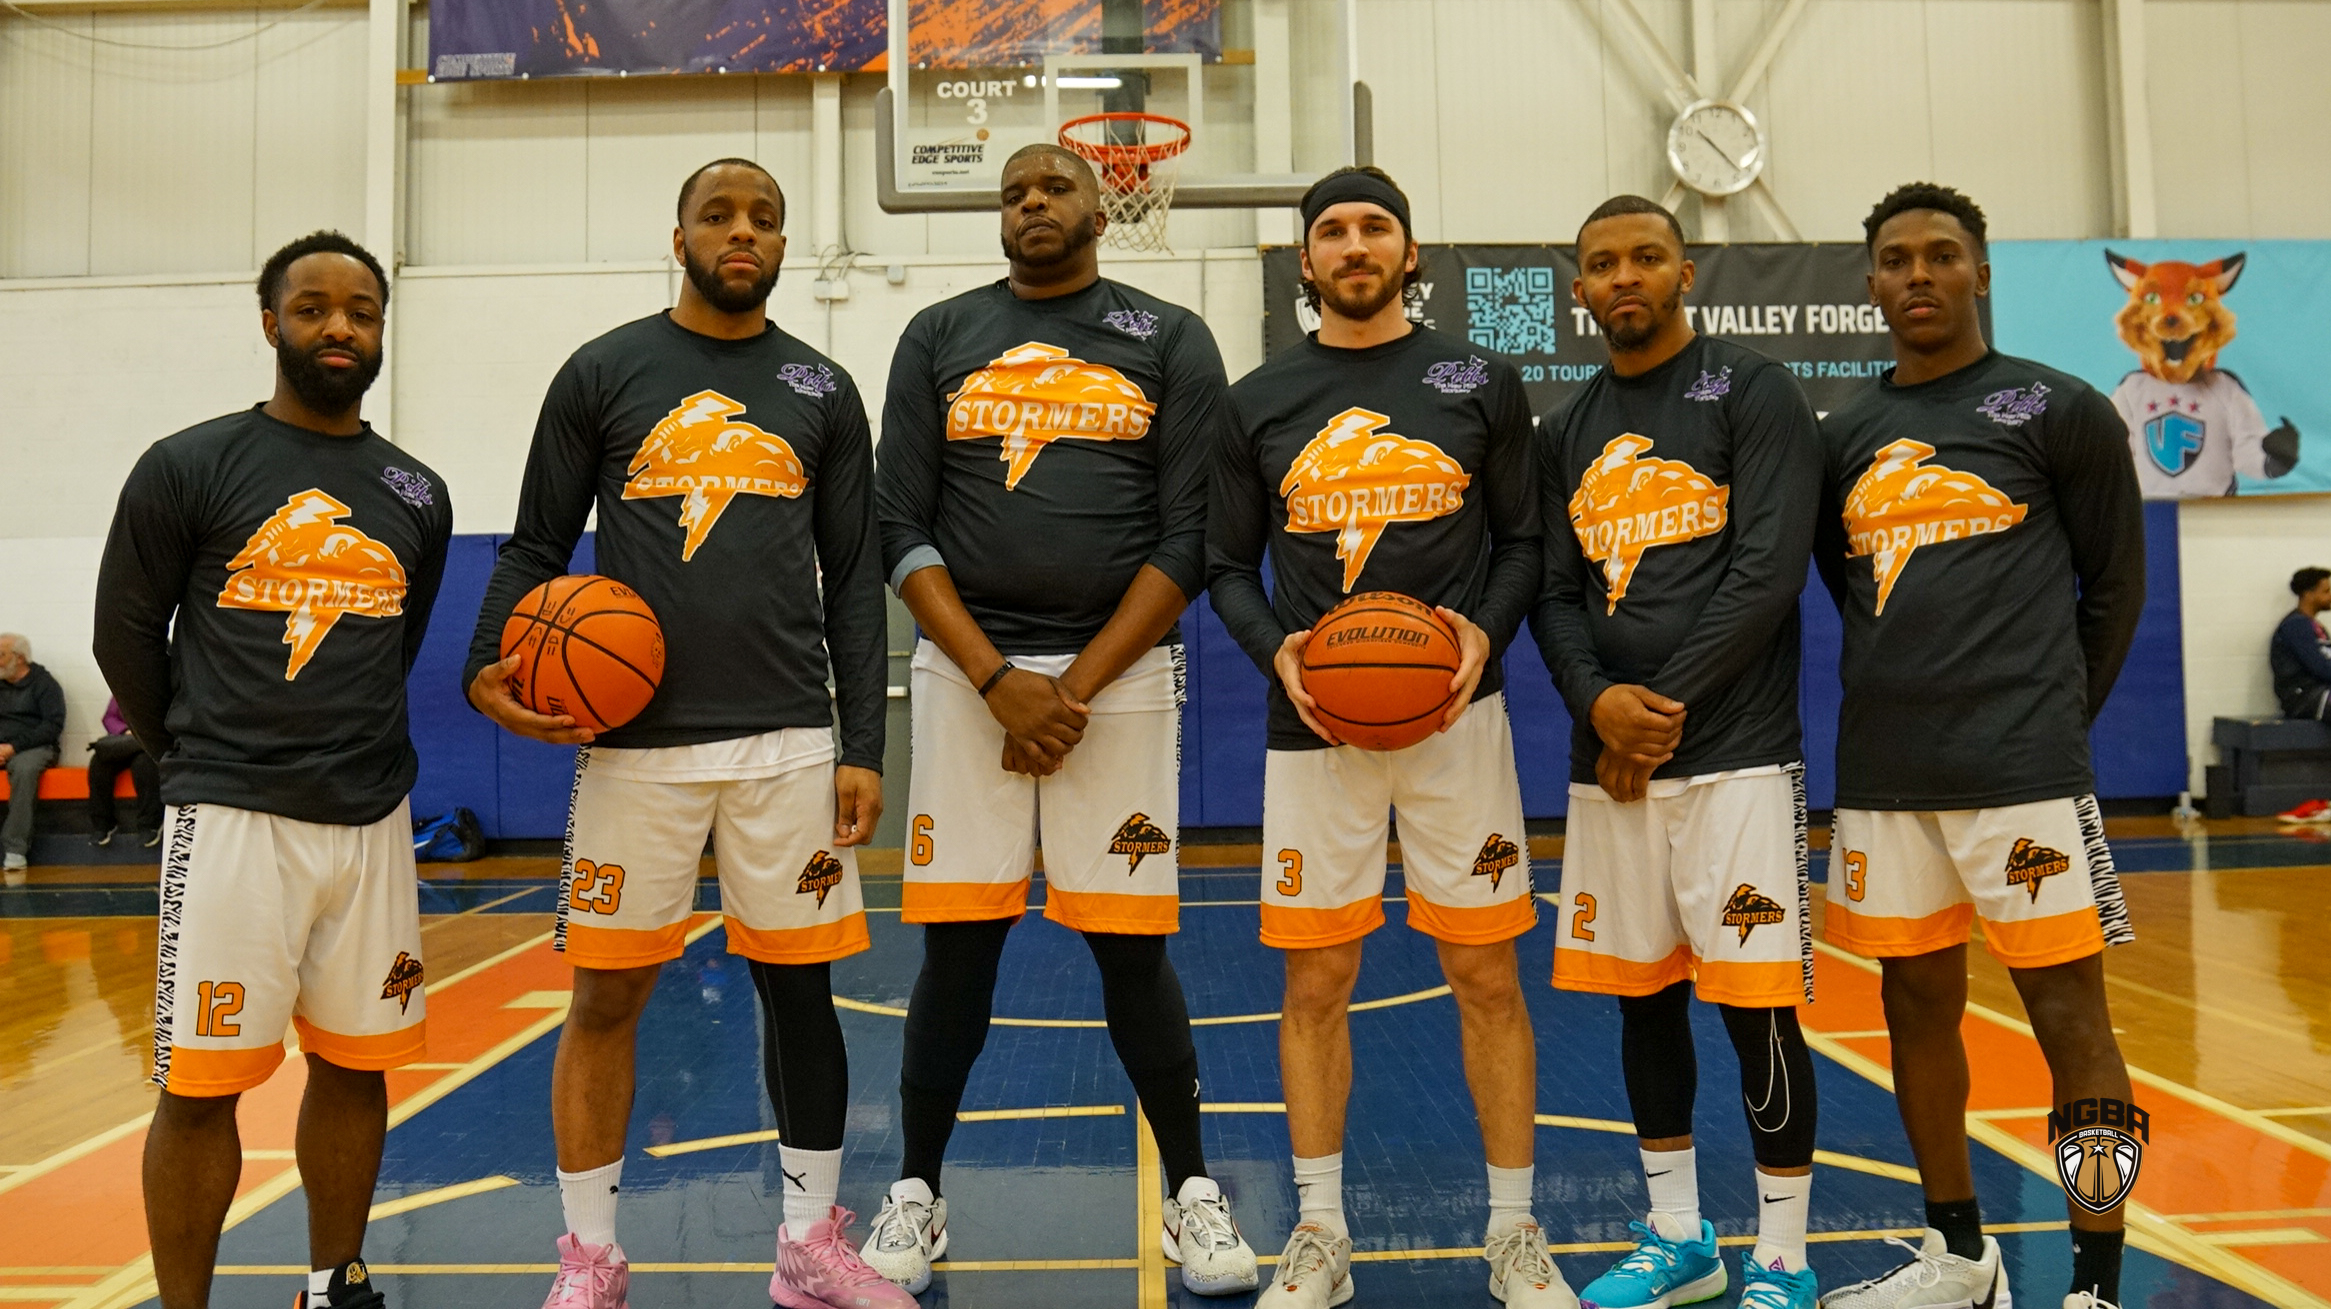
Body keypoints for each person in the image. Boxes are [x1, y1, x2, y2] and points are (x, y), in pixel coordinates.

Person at [461, 158, 902, 1309]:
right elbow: (534, 547)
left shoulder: (821, 387)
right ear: (680, 236)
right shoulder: (606, 370)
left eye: (763, 217)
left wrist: (865, 744)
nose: (742, 231)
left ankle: (810, 1245)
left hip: (789, 743)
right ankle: (591, 1261)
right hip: (634, 747)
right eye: (720, 214)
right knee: (606, 998)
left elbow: (856, 578)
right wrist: (482, 662)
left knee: (801, 996)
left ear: (784, 243)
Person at [868, 143, 1258, 1299]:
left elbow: (1189, 537)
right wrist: (999, 680)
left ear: (1104, 205)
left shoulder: (1170, 334)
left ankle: (1190, 1192)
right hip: (965, 676)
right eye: (1012, 193)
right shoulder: (939, 333)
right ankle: (919, 1193)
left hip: (1118, 683)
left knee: (1132, 945)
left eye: (1052, 188)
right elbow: (898, 522)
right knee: (958, 944)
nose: (1030, 203)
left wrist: (1071, 688)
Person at [1209, 165, 1564, 1309]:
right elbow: (1223, 563)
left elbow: (1523, 541)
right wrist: (1281, 650)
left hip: (1461, 719)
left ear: (1410, 254)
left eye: (1375, 229)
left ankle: (1514, 1233)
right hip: (1316, 727)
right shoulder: (1258, 399)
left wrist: (1480, 634)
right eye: (1332, 232)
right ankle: (1319, 1231)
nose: (1354, 245)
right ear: (1304, 264)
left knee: (1486, 972)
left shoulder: (1479, 381)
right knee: (1318, 976)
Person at [92, 231, 451, 1309]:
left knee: (357, 1063)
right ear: (271, 323)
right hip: (234, 821)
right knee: (201, 1088)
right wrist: (197, 759)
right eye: (313, 308)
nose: (339, 326)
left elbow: (399, 643)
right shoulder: (188, 464)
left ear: (381, 331)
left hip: (371, 816)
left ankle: (332, 1283)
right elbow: (123, 639)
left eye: (362, 311)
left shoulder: (416, 492)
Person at [1814, 184, 2146, 1309]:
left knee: (2071, 1022)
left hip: (2024, 778)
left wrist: (2050, 720)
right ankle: (1961, 1255)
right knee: (1914, 1010)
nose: (1919, 274)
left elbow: (2114, 589)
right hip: (1889, 775)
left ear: (1980, 272)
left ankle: (2095, 1283)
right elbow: (1845, 584)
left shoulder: (2060, 409)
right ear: (1869, 284)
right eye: (1896, 259)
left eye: (1942, 255)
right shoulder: (1847, 434)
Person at [1534, 195, 1824, 1309]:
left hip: (1738, 757)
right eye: (1601, 261)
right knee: (1642, 1001)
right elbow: (1557, 594)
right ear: (1578, 286)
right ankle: (1679, 1237)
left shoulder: (1750, 391)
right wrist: (1597, 703)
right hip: (1610, 765)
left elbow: (1767, 573)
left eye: (1645, 257)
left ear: (1685, 272)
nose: (1624, 276)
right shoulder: (1565, 426)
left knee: (1757, 1006)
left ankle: (1786, 1256)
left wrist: (1653, 706)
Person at [0, 633, 65, 878]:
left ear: (19, 658)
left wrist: (12, 747)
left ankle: (15, 850)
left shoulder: (45, 685)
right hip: (3, 748)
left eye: (1, 654)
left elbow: (51, 727)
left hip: (35, 748)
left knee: (25, 770)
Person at [87, 695, 165, 849]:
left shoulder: (163, 686)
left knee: (144, 764)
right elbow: (109, 718)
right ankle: (103, 825)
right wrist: (125, 731)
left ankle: (149, 825)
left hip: (149, 743)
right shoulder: (122, 684)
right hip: (125, 741)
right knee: (99, 763)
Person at [2271, 567, 2331, 720]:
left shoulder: (2316, 627)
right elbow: (2320, 667)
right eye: (2326, 591)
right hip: (2303, 696)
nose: (2330, 595)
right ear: (2308, 594)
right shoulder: (2295, 626)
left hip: (2320, 691)